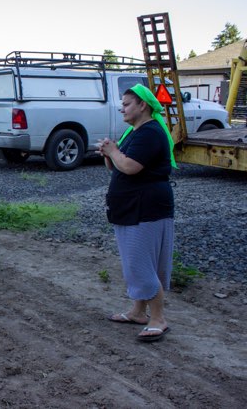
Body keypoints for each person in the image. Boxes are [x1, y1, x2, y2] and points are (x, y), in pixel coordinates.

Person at [98, 83, 176, 342]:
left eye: (127, 104)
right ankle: (138, 312)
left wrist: (114, 152)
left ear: (143, 105)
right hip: (133, 207)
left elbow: (130, 167)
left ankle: (158, 319)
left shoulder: (150, 132)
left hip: (147, 208)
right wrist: (109, 155)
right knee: (134, 261)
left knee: (140, 263)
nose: (122, 108)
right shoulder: (135, 131)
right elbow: (119, 167)